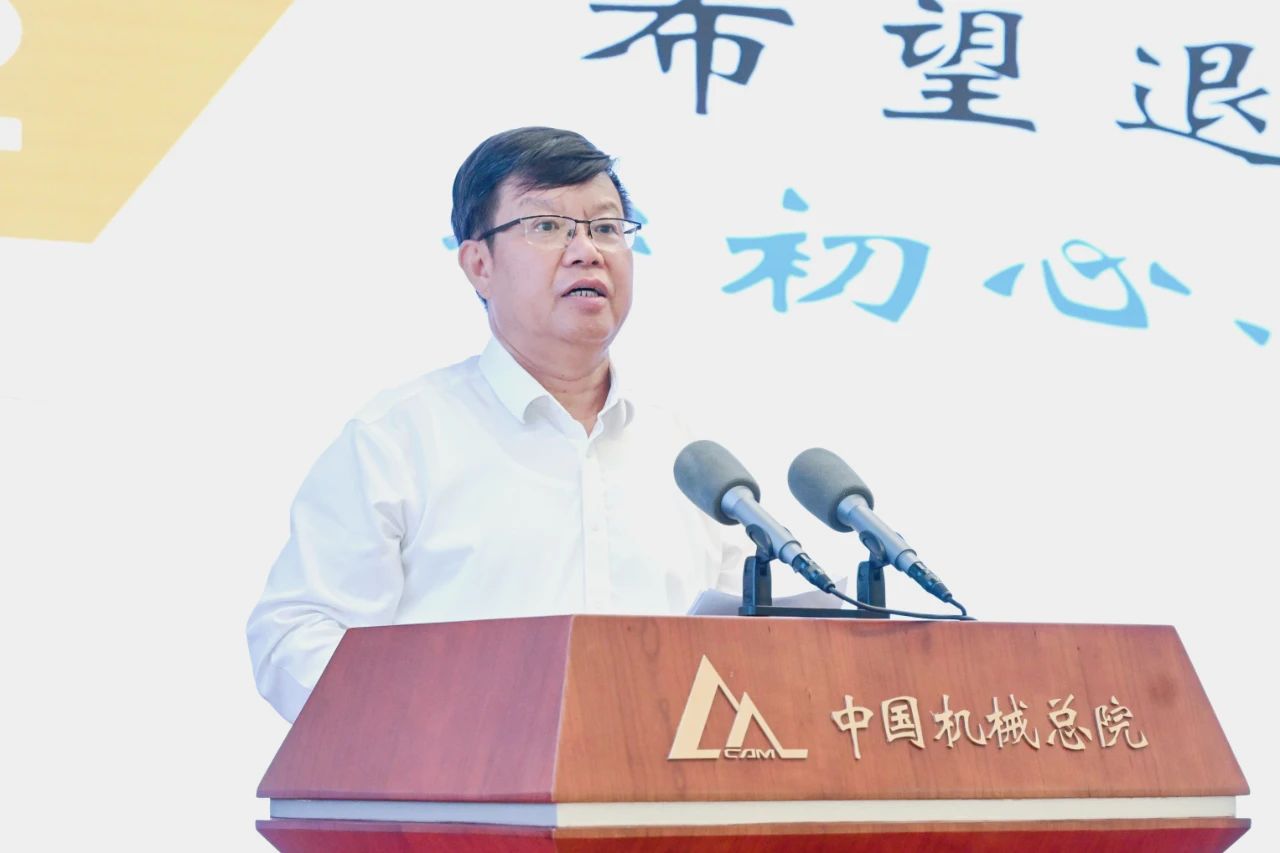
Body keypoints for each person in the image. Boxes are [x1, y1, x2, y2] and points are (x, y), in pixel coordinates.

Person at [247, 127, 742, 722]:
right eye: (548, 226)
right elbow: (294, 634)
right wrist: (434, 731)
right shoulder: (399, 439)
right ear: (479, 265)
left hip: (658, 778)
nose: (586, 251)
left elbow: (758, 636)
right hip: (459, 778)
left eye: (607, 228)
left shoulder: (688, 456)